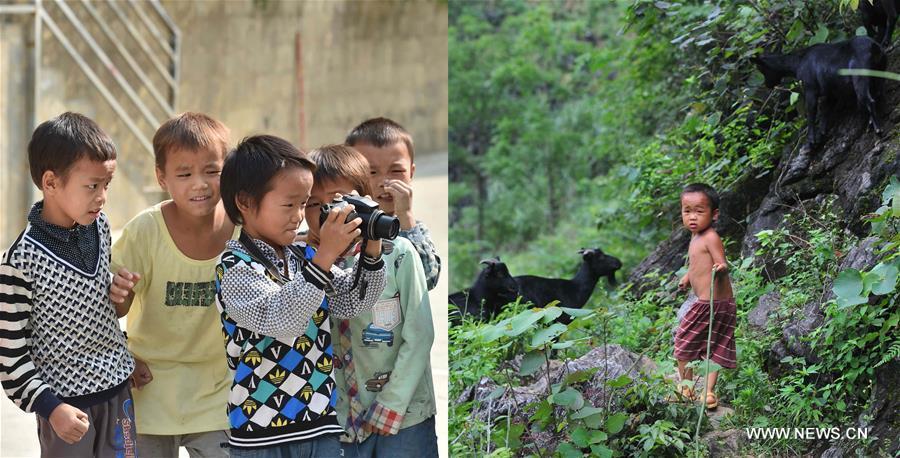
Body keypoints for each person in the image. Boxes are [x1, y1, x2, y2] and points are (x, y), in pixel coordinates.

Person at [215, 135, 386, 457]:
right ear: (245, 202)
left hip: (320, 422)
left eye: (304, 204)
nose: (299, 215)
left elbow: (353, 301)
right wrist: (324, 257)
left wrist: (372, 246)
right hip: (261, 432)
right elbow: (283, 321)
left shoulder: (302, 257)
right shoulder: (235, 266)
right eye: (288, 204)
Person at [0, 112, 137, 457]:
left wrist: (121, 298)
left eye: (107, 185)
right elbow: (10, 354)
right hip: (66, 408)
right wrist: (51, 407)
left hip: (118, 393)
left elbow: (100, 312)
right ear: (50, 183)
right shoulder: (20, 261)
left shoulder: (100, 227)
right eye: (92, 185)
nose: (102, 197)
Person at [110, 112, 237, 456]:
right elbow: (110, 307)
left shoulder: (243, 229)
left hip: (220, 396)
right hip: (149, 391)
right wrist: (119, 298)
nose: (200, 184)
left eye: (212, 171)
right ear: (161, 177)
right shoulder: (145, 231)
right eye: (184, 174)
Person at [305, 144, 437, 458]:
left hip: (405, 416)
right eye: (313, 203)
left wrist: (393, 402)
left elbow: (420, 334)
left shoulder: (399, 254)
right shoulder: (303, 262)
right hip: (335, 422)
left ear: (363, 200)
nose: (326, 212)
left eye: (336, 200)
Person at [345, 118, 441, 290]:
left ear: (411, 173)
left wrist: (406, 216)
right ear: (350, 174)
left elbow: (428, 280)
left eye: (396, 171)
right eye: (371, 172)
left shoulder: (413, 229)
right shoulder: (343, 226)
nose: (384, 182)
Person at [673, 183, 737, 410]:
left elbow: (721, 262)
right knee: (695, 343)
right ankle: (689, 388)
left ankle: (704, 391)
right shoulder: (695, 236)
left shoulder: (710, 237)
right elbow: (697, 264)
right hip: (710, 302)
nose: (692, 217)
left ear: (714, 214)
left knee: (693, 343)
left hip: (712, 304)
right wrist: (687, 278)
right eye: (687, 211)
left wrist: (720, 268)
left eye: (699, 211)